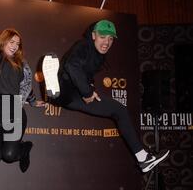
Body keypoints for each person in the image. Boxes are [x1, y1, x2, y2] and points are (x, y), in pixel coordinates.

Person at [42, 19, 169, 173]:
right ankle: (54, 85)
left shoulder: (99, 57)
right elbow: (72, 66)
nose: (106, 43)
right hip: (68, 88)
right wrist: (87, 92)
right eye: (103, 37)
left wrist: (90, 88)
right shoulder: (83, 45)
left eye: (110, 39)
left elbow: (86, 76)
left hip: (74, 96)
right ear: (94, 35)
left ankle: (143, 158)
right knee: (67, 78)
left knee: (119, 110)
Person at [0, 28, 44, 176]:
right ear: (3, 41)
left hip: (14, 109)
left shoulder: (21, 64)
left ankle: (24, 149)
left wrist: (33, 101)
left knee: (9, 156)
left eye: (18, 43)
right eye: (12, 41)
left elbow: (26, 86)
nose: (15, 45)